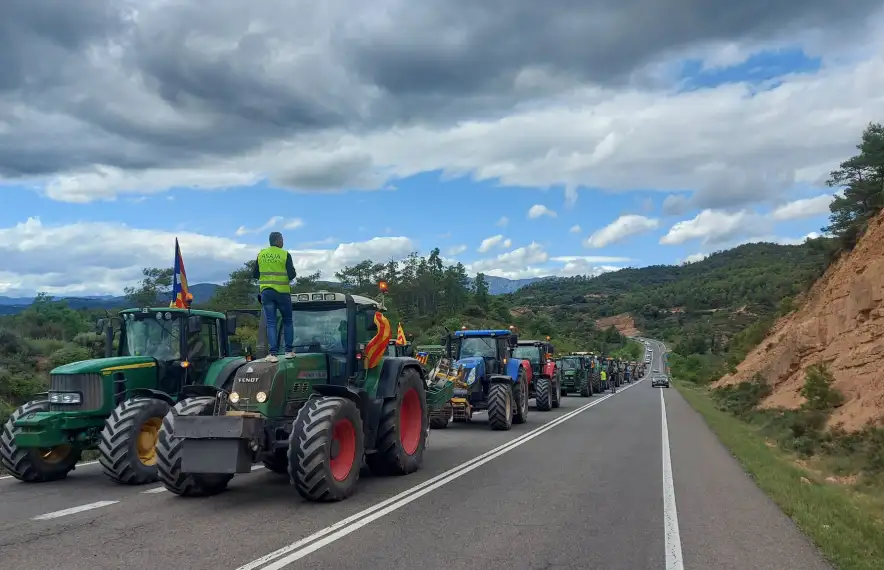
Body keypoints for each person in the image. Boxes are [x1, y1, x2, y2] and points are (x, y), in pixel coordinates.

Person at [252, 231, 297, 362]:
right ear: (277, 241)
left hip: (266, 292)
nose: (283, 242)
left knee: (271, 323)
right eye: (282, 239)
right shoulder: (285, 254)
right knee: (287, 321)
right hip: (282, 292)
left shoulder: (261, 255)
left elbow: (255, 274)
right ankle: (289, 351)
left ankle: (272, 354)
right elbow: (292, 274)